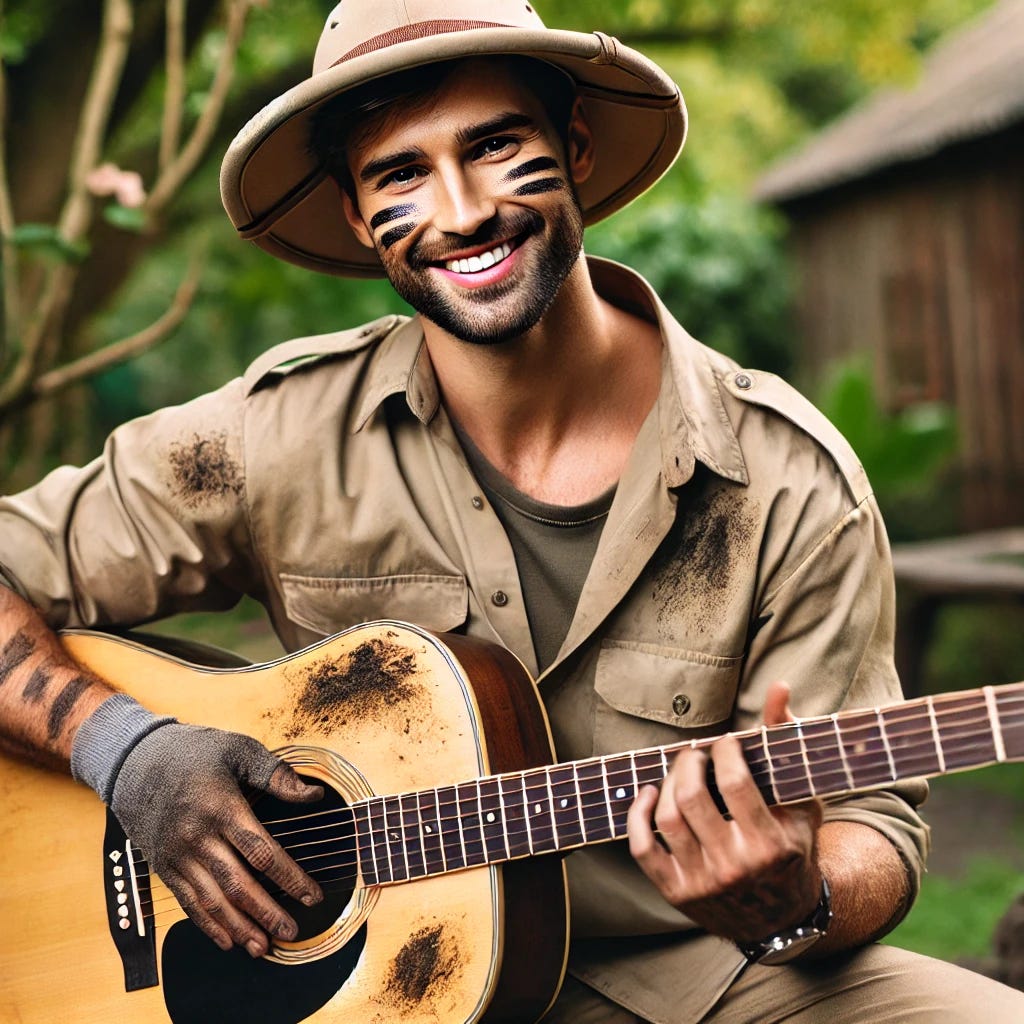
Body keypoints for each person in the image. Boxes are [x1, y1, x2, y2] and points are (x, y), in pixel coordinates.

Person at [0, 1, 1021, 1020]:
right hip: (383, 986)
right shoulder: (274, 436)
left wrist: (793, 900)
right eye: (400, 173)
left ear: (573, 149)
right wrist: (125, 750)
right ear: (358, 216)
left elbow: (868, 824)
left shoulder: (785, 478)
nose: (460, 210)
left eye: (494, 147)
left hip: (714, 975)